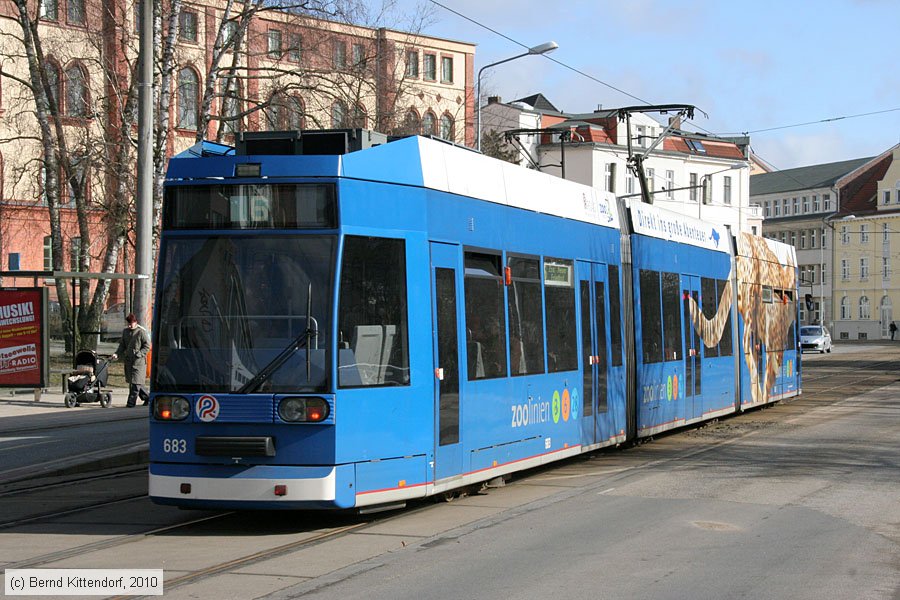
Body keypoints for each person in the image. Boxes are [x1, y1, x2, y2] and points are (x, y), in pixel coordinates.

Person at [110, 313, 151, 407]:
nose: (129, 325)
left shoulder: (141, 332)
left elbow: (147, 346)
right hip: (128, 360)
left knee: (136, 383)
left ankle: (131, 403)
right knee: (135, 382)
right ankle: (147, 397)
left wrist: (139, 354)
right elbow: (122, 345)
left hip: (139, 362)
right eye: (128, 323)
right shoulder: (125, 332)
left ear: (135, 322)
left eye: (131, 323)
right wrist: (117, 354)